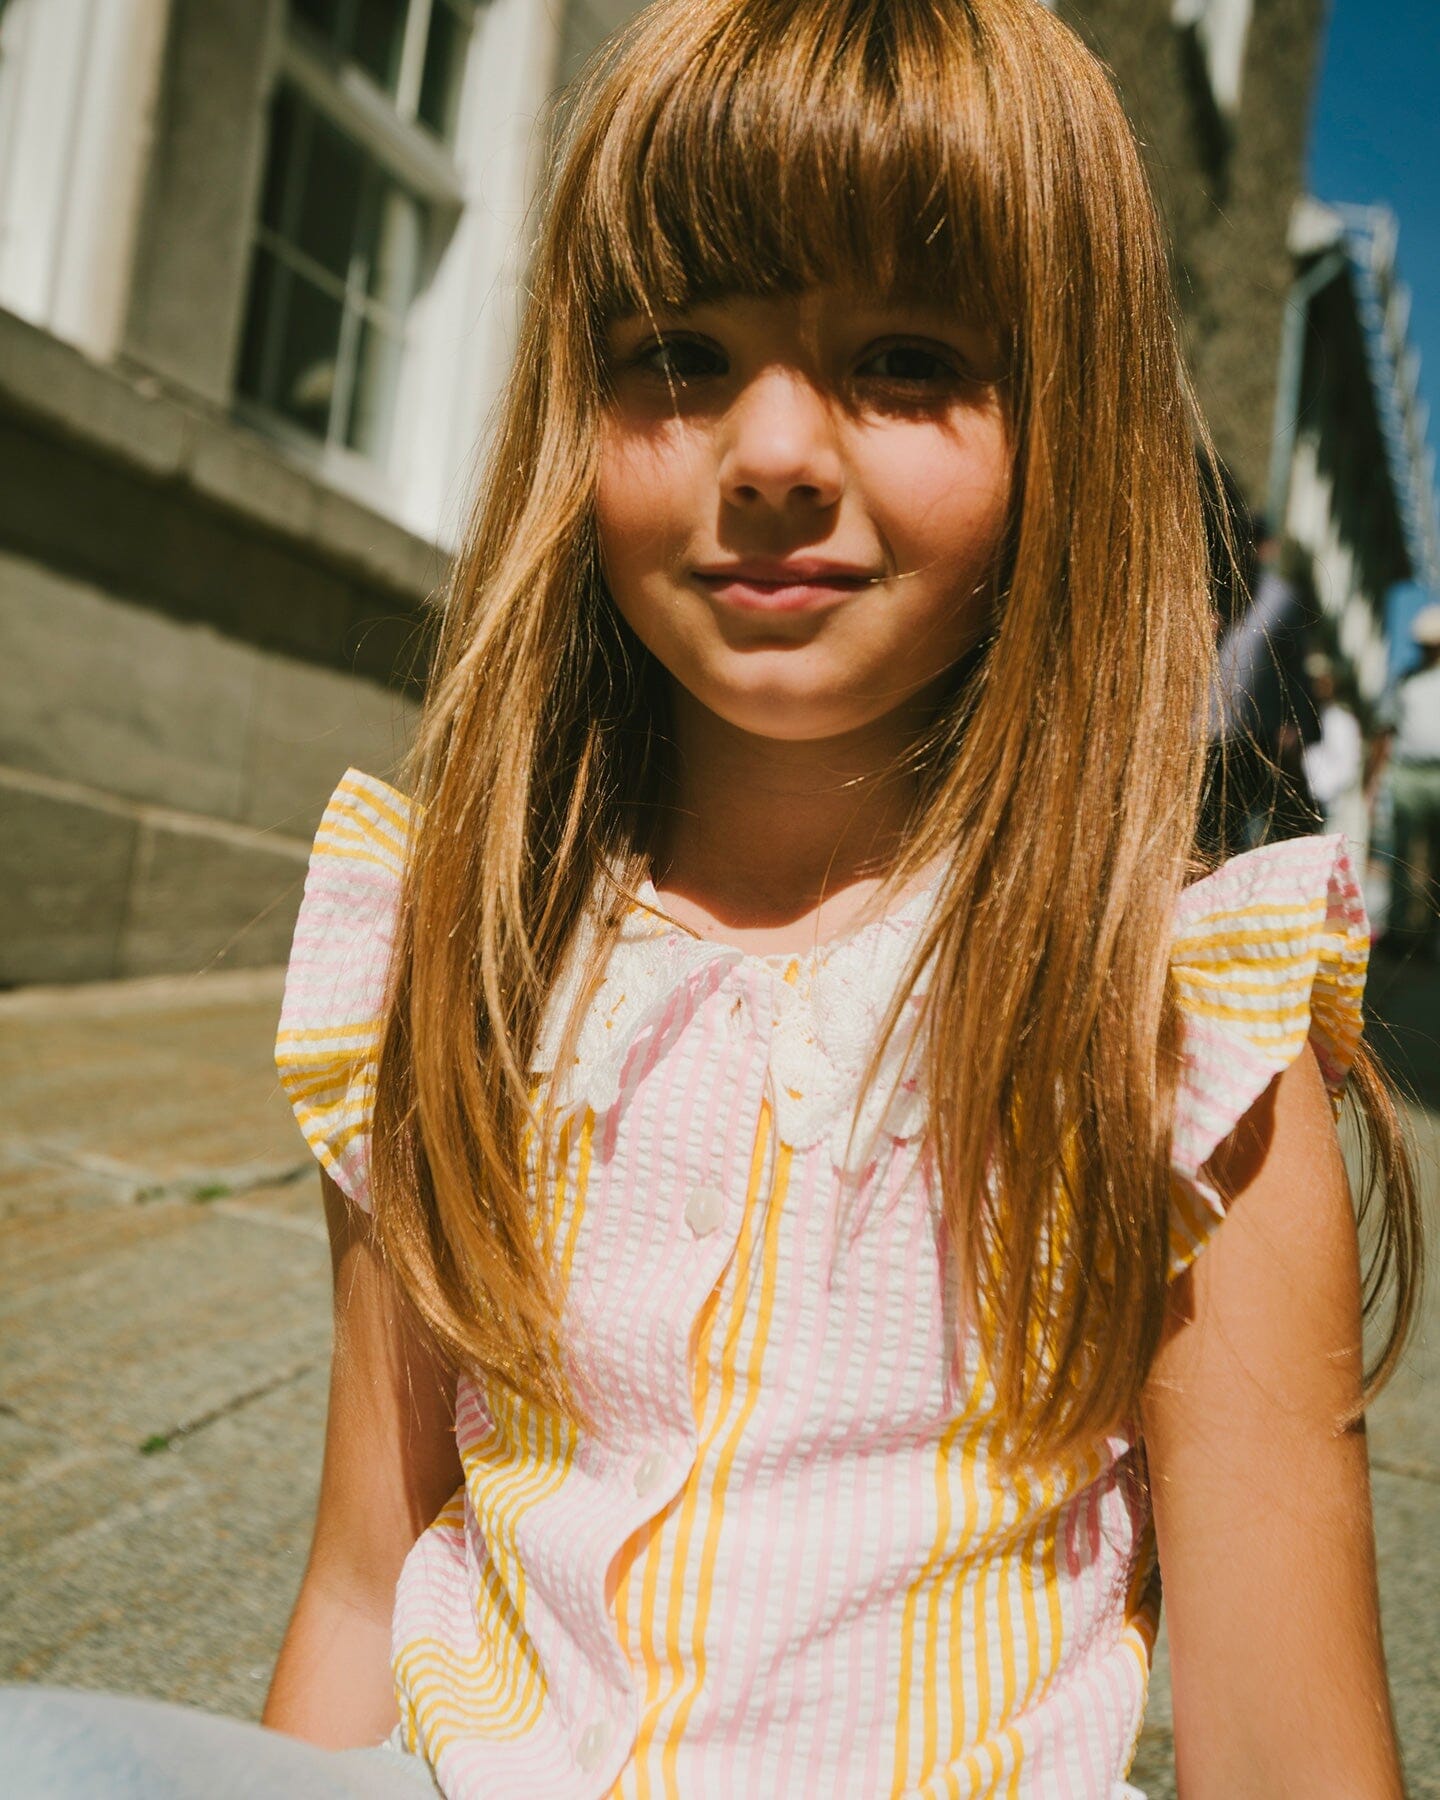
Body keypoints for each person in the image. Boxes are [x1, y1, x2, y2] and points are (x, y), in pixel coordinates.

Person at [4, 1, 1422, 1795]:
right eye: (676, 350)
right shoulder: (455, 955)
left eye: (906, 358)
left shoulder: (1171, 1039)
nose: (770, 449)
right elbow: (366, 1587)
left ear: (1064, 444)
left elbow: (1293, 1756)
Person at [1372, 603, 1440, 955]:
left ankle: (1428, 934)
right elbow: (1387, 732)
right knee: (1404, 856)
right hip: (1410, 776)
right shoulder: (1406, 681)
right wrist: (1374, 781)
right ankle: (1402, 931)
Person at [1301, 651, 1369, 861]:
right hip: (1307, 799)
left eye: (1323, 680)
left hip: (1330, 802)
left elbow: (1347, 766)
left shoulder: (1341, 719)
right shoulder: (1303, 718)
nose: (1318, 686)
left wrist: (1324, 792)